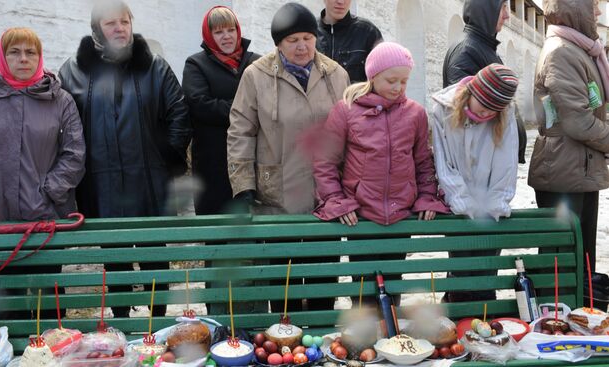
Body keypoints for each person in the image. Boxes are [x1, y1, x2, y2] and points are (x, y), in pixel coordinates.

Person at [59, 0, 192, 317]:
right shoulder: (73, 71)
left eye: (124, 21)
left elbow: (179, 114)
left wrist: (165, 160)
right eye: (110, 23)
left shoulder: (155, 67)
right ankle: (121, 328)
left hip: (149, 183)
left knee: (155, 261)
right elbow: (61, 125)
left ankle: (156, 328)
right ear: (96, 31)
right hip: (100, 185)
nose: (119, 28)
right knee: (114, 260)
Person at [228, 2, 350, 311]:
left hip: (326, 198)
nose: (301, 46)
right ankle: (288, 349)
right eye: (292, 40)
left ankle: (321, 346)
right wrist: (243, 186)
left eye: (307, 38)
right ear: (278, 44)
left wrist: (351, 185)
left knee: (324, 280)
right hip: (277, 199)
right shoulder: (256, 76)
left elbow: (351, 132)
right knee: (286, 288)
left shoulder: (336, 75)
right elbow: (240, 131)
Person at [0, 27, 85, 318]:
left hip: (44, 219)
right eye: (14, 52)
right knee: (4, 301)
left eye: (31, 52)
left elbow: (74, 154)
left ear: (40, 57)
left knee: (49, 301)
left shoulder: (60, 100)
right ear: (3, 57)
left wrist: (48, 192)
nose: (23, 58)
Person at [313, 42, 450, 226]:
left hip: (402, 213)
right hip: (359, 216)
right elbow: (325, 161)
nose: (398, 87)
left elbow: (423, 162)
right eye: (391, 80)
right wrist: (336, 200)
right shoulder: (346, 110)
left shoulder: (415, 113)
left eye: (404, 81)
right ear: (373, 76)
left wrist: (427, 197)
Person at [529, 0, 609, 275]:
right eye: (594, 6)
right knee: (561, 263)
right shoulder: (562, 52)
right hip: (564, 171)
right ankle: (553, 316)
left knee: (580, 259)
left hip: (579, 167)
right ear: (576, 9)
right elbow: (578, 121)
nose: (598, 13)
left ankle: (578, 314)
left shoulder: (580, 50)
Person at [183, 6, 260, 215]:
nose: (226, 37)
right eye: (218, 32)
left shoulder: (257, 63)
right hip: (213, 163)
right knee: (215, 226)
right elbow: (200, 105)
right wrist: (246, 111)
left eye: (230, 30)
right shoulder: (196, 64)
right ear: (209, 35)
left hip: (252, 159)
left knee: (251, 230)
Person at [442, 0, 526, 164]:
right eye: (503, 7)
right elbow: (464, 114)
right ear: (486, 9)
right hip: (478, 167)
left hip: (490, 163)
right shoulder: (466, 51)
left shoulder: (482, 48)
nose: (507, 15)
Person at [432, 63, 519, 221]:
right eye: (483, 104)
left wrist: (496, 202)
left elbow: (507, 164)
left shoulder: (505, 116)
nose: (486, 112)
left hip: (491, 214)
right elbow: (443, 163)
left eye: (493, 109)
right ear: (473, 92)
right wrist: (460, 200)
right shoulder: (442, 111)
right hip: (456, 210)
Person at [316, 0, 383, 83]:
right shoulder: (309, 32)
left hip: (356, 96)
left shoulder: (367, 31)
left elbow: (382, 76)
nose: (341, 2)